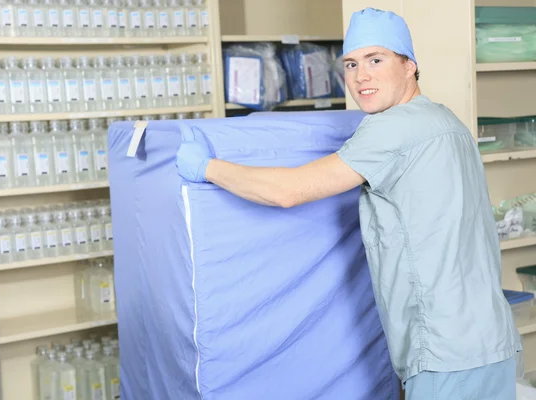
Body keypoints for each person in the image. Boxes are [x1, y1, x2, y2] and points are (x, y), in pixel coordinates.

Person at [175, 7, 522, 400]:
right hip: (492, 341)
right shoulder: (449, 123)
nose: (361, 77)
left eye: (377, 60)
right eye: (352, 64)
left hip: (447, 353)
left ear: (409, 65)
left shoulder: (394, 127)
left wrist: (208, 168)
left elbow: (288, 191)